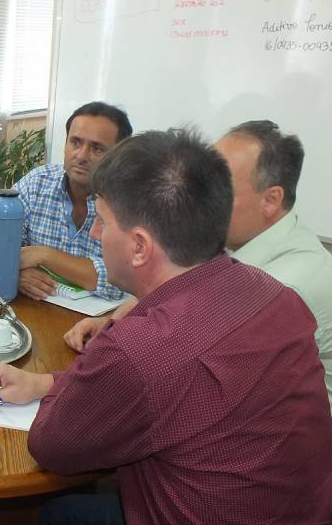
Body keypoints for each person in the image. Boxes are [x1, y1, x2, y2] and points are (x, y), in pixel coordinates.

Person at [0, 129, 332, 525]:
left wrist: (74, 387)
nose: (98, 233)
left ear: (139, 247)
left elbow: (52, 447)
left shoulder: (140, 349)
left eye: (103, 221)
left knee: (60, 518)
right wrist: (48, 382)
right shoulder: (274, 295)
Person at [65, 120, 332, 407]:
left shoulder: (284, 288)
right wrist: (113, 321)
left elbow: (176, 366)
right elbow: (178, 287)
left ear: (270, 200)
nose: (198, 195)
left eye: (218, 185)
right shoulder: (243, 236)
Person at [0, 101, 132, 300]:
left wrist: (45, 255)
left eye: (97, 148)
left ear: (119, 156)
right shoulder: (37, 183)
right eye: (75, 142)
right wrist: (13, 272)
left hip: (102, 321)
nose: (82, 156)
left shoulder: (130, 202)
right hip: (41, 308)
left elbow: (121, 281)